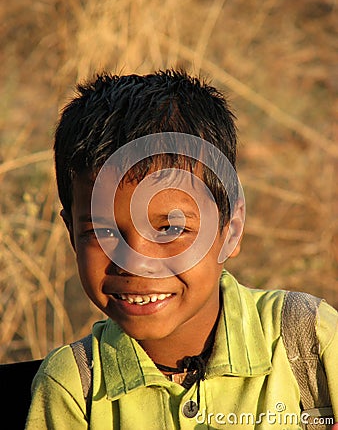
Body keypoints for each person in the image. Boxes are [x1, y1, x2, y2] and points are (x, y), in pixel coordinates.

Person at [25, 70, 337, 429]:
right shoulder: (74, 387)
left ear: (231, 229)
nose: (136, 263)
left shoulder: (305, 338)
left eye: (170, 228)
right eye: (104, 232)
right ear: (71, 233)